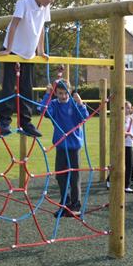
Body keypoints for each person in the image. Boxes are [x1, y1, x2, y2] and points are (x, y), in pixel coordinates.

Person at [0, 0, 58, 137]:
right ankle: (4, 121)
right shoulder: (23, 2)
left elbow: (41, 29)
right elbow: (14, 25)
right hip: (14, 50)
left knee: (26, 88)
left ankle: (26, 123)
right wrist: (8, 49)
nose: (51, 0)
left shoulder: (45, 7)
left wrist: (41, 51)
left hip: (28, 54)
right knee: (9, 87)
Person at [41, 80, 89, 216]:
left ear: (70, 92)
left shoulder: (74, 104)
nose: (63, 96)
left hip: (73, 146)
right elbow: (43, 111)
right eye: (60, 93)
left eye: (65, 93)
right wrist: (47, 95)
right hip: (61, 146)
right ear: (56, 93)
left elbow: (84, 117)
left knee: (74, 177)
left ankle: (76, 205)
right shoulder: (54, 104)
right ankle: (65, 204)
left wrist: (80, 104)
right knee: (61, 176)